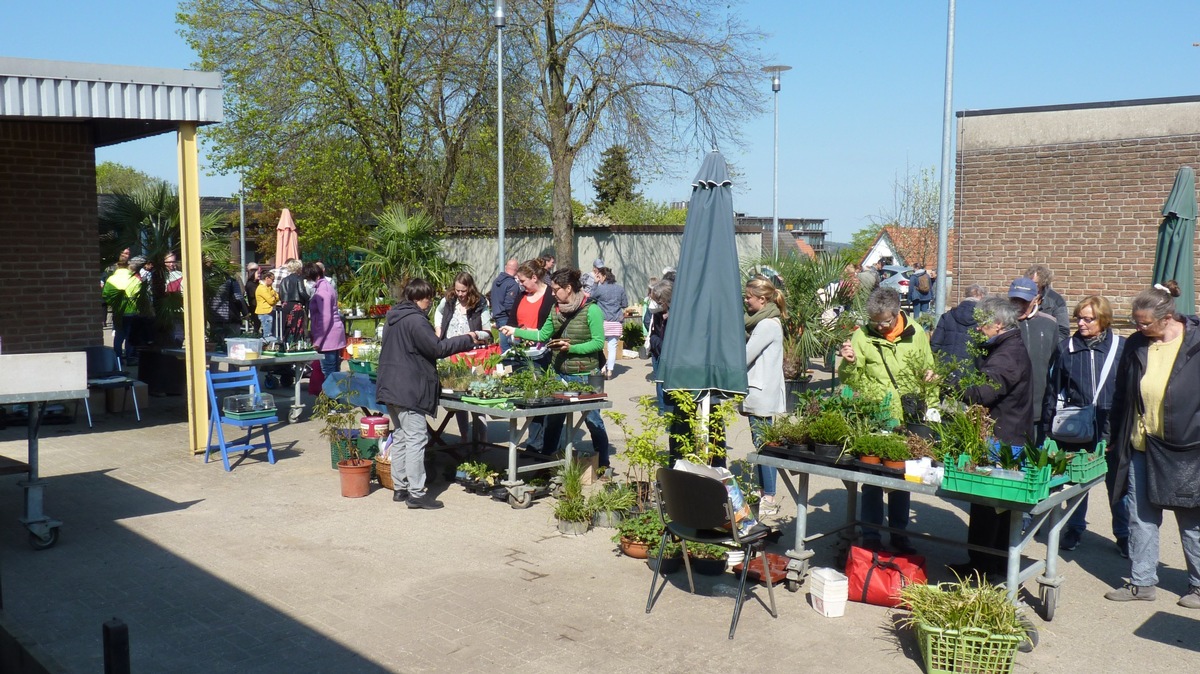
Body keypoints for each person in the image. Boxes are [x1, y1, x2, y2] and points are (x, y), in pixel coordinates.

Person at [1104, 281, 1200, 608]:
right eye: (1135, 321)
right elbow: (1121, 395)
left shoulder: (1195, 343)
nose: (1138, 327)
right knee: (1140, 516)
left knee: (1191, 520)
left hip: (1186, 449)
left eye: (1144, 322)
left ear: (1167, 317)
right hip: (1142, 445)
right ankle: (1142, 582)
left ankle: (1199, 586)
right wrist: (1112, 436)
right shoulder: (1135, 345)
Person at [837, 286, 935, 553]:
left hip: (908, 416)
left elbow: (929, 372)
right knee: (872, 476)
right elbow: (850, 382)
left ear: (897, 313)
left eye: (885, 322)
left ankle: (898, 532)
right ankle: (870, 533)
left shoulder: (915, 334)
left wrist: (931, 410)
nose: (879, 327)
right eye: (874, 322)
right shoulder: (861, 336)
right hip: (875, 415)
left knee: (901, 478)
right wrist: (848, 363)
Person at [377, 278, 487, 510]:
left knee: (401, 436)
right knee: (416, 438)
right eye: (428, 298)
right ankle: (416, 494)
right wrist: (468, 339)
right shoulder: (416, 321)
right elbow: (437, 349)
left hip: (390, 386)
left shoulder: (393, 318)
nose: (430, 303)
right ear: (421, 298)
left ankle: (400, 488)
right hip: (410, 388)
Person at [951, 296, 1033, 577]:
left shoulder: (1007, 354)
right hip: (1007, 432)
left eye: (982, 323)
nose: (978, 328)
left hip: (1002, 437)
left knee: (989, 504)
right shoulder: (1007, 346)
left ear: (998, 324)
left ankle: (983, 567)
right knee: (998, 506)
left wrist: (950, 385)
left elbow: (984, 391)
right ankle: (992, 564)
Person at [500, 268, 611, 474]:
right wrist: (515, 330)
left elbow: (598, 343)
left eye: (556, 289)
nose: (553, 294)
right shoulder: (556, 309)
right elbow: (543, 334)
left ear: (568, 289)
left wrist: (572, 348)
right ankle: (547, 462)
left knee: (592, 419)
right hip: (560, 372)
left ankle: (603, 463)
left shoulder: (592, 310)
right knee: (554, 418)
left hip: (585, 374)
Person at [1042, 295, 1127, 553]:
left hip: (1113, 424)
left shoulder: (1120, 348)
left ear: (1103, 320)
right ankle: (1075, 528)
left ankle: (1123, 534)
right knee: (1078, 481)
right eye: (1078, 317)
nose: (1081, 323)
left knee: (1117, 484)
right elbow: (1052, 389)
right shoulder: (1066, 348)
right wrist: (1048, 430)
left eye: (1088, 319)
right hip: (1077, 425)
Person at [743, 277, 787, 517]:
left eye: (749, 296)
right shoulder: (766, 322)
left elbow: (745, 356)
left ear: (763, 299)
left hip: (761, 391)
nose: (746, 300)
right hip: (762, 390)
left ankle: (768, 496)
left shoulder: (766, 325)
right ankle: (764, 493)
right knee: (762, 443)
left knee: (764, 446)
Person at [434, 272, 492, 443]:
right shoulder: (449, 300)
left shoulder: (481, 303)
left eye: (463, 291)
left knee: (476, 396)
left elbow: (488, 332)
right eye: (457, 290)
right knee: (458, 395)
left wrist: (474, 333)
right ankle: (464, 436)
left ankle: (482, 438)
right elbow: (438, 313)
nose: (460, 294)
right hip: (451, 354)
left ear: (470, 288)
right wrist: (438, 329)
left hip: (472, 355)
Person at [510, 259, 556, 452]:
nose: (520, 284)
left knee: (540, 399)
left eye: (522, 280)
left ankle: (541, 444)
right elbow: (513, 321)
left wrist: (535, 335)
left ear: (535, 278)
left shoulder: (550, 297)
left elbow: (553, 325)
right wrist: (518, 334)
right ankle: (534, 441)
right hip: (522, 352)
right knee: (527, 399)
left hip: (542, 353)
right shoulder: (521, 296)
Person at [1009, 276, 1060, 445]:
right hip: (1008, 408)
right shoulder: (1001, 324)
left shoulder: (1049, 324)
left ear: (1037, 299)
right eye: (1014, 300)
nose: (1018, 305)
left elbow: (1053, 361)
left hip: (1037, 407)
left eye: (1024, 301)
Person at [305, 261, 346, 379]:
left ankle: (331, 397)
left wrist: (318, 340)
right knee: (334, 372)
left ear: (316, 276)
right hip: (332, 333)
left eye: (310, 279)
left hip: (328, 336)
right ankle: (334, 396)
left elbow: (326, 317)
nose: (309, 282)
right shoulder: (327, 287)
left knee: (329, 373)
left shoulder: (323, 291)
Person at [588, 265, 628, 379]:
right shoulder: (620, 288)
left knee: (599, 346)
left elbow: (591, 297)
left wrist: (595, 283)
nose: (597, 278)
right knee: (612, 347)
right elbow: (624, 304)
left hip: (602, 321)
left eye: (599, 276)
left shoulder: (600, 288)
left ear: (604, 276)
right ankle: (610, 371)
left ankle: (602, 368)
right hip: (616, 322)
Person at [103, 256, 145, 364]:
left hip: (118, 311)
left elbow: (105, 295)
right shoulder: (134, 279)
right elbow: (140, 296)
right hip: (132, 311)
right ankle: (129, 358)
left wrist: (114, 303)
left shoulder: (110, 280)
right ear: (128, 266)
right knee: (129, 336)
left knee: (118, 335)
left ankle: (118, 359)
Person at [931, 284, 985, 366]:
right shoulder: (984, 319)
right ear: (981, 296)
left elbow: (935, 343)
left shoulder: (947, 316)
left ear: (966, 296)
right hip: (972, 367)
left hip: (947, 365)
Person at [646, 278, 673, 414]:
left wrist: (655, 340)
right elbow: (653, 334)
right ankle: (663, 410)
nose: (656, 304)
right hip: (659, 354)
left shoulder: (677, 317)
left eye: (658, 301)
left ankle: (665, 411)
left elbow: (666, 345)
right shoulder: (658, 314)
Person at [1026, 264, 1070, 340]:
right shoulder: (1021, 298)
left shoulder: (1056, 300)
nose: (1032, 286)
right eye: (1029, 282)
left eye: (1036, 283)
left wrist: (1049, 346)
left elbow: (1063, 331)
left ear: (1043, 283)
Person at [275, 258, 310, 344]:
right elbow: (301, 291)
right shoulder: (299, 278)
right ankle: (294, 344)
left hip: (285, 305)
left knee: (286, 326)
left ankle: (285, 343)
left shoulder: (284, 280)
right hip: (296, 305)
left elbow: (280, 294)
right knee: (297, 327)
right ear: (299, 268)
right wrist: (309, 298)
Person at [490, 258, 521, 353]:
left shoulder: (496, 281)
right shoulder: (512, 284)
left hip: (497, 316)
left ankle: (505, 365)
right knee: (510, 348)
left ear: (506, 267)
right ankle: (510, 366)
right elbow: (509, 305)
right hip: (507, 318)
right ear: (517, 270)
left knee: (503, 347)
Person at [255, 271, 279, 340]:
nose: (273, 282)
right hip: (264, 312)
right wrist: (274, 298)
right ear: (267, 278)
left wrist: (274, 297)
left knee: (270, 332)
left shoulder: (268, 287)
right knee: (267, 333)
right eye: (272, 280)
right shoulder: (262, 288)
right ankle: (266, 345)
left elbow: (277, 296)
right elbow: (271, 301)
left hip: (269, 311)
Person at [245, 262, 261, 332]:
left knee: (258, 323)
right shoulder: (250, 284)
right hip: (254, 306)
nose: (259, 275)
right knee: (256, 323)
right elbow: (254, 294)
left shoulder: (257, 283)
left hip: (258, 306)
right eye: (258, 273)